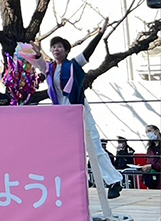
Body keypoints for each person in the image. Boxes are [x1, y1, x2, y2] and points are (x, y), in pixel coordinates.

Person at [26, 23, 123, 199]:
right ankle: (65, 183)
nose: (56, 49)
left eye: (59, 47)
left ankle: (114, 181)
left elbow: (88, 52)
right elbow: (39, 62)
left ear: (66, 50)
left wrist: (100, 34)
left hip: (79, 109)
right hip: (62, 114)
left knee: (94, 146)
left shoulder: (74, 64)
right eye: (53, 47)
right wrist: (36, 52)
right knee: (63, 148)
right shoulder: (50, 68)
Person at [142, 125, 160, 189]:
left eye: (149, 131)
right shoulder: (150, 148)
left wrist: (152, 166)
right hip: (153, 181)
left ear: (157, 131)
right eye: (146, 132)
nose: (148, 134)